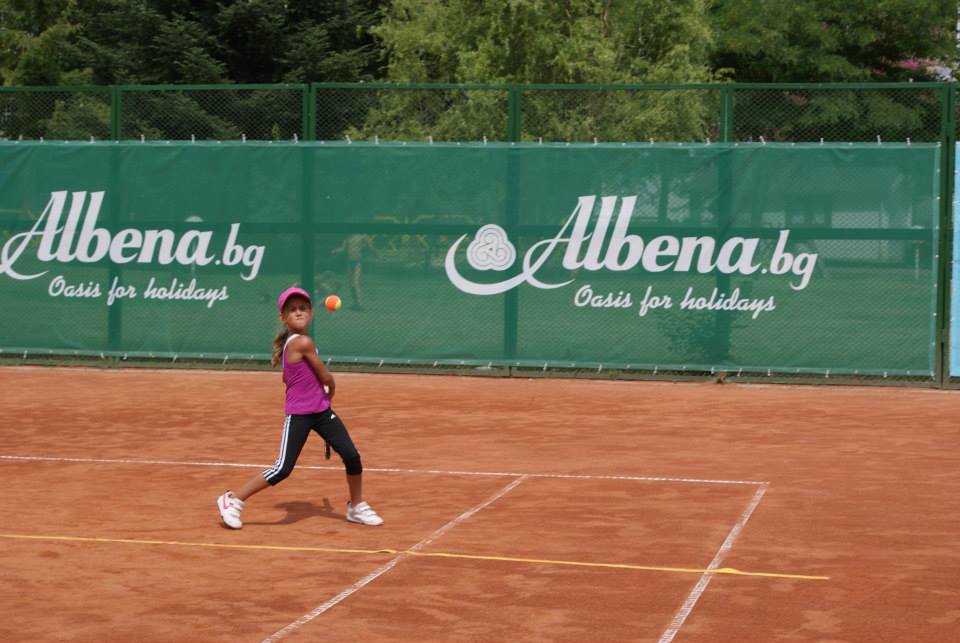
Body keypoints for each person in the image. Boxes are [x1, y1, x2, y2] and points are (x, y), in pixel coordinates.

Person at [216, 287, 383, 529]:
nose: (298, 312)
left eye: (302, 308)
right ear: (283, 317)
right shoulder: (302, 342)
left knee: (351, 455)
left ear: (311, 312)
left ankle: (356, 507)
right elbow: (326, 377)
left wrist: (321, 397)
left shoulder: (295, 343)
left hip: (321, 412)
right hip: (300, 415)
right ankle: (232, 500)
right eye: (292, 309)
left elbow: (292, 378)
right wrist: (330, 391)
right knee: (283, 468)